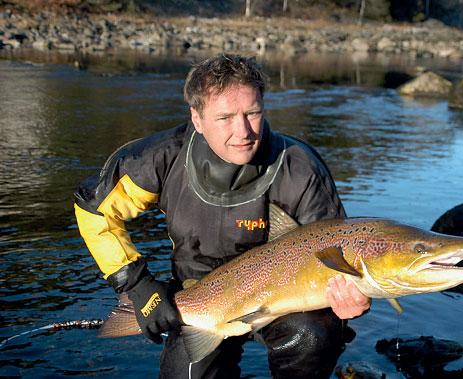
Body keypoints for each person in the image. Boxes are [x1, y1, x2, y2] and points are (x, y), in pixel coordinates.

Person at [74, 54, 370, 379]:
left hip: (286, 302)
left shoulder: (299, 168)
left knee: (315, 335)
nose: (242, 131)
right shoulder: (160, 158)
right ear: (197, 119)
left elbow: (338, 253)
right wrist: (136, 286)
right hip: (199, 294)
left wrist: (350, 305)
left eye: (252, 113)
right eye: (225, 117)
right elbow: (94, 210)